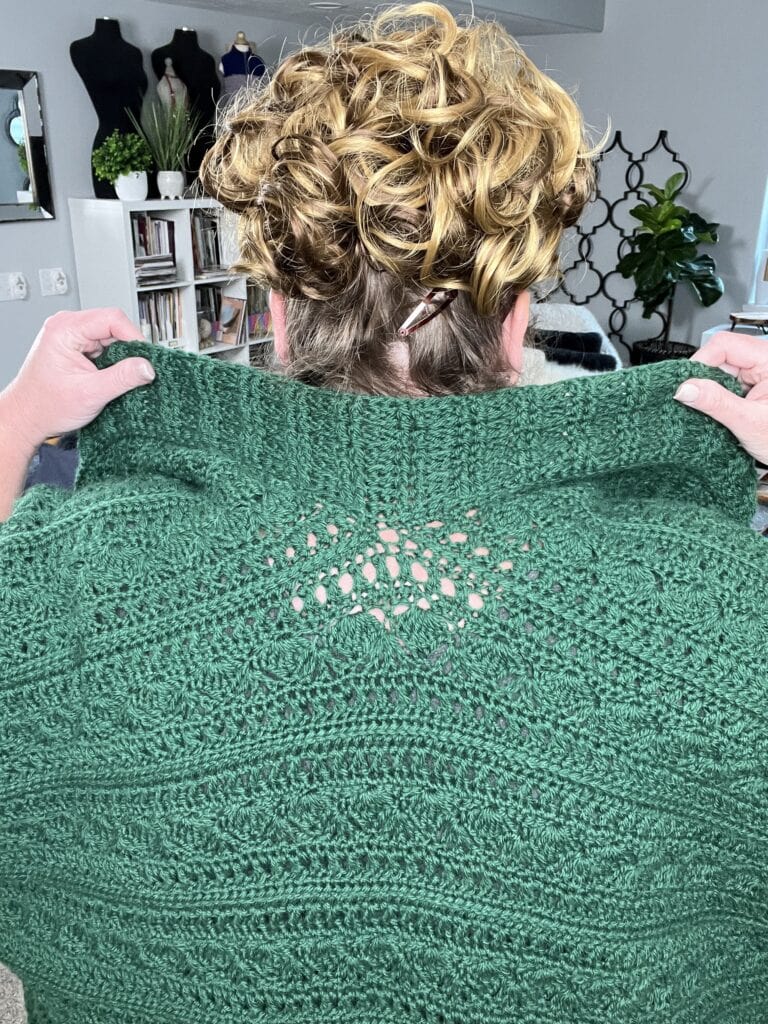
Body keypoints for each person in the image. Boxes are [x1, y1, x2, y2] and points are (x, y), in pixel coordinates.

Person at [2, 5, 768, 1022]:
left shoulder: (56, 585)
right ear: (520, 311)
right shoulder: (725, 609)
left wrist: (13, 425)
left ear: (273, 308)